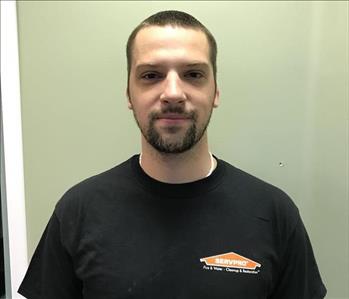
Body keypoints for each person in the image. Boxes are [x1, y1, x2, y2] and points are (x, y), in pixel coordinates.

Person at [18, 10, 327, 299]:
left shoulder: (273, 213)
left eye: (193, 74)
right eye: (151, 75)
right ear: (129, 94)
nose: (173, 94)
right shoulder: (78, 211)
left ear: (215, 91)